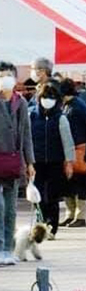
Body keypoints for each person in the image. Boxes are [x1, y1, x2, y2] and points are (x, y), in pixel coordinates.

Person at [30, 82, 76, 238]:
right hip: (36, 162)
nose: (47, 100)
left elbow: (67, 142)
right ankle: (40, 224)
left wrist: (69, 162)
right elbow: (26, 139)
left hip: (56, 162)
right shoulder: (32, 116)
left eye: (50, 97)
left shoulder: (60, 118)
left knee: (52, 196)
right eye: (44, 96)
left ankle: (51, 226)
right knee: (38, 196)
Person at [0, 62, 34, 266]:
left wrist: (30, 162)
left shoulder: (20, 102)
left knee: (11, 209)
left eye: (8, 75)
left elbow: (27, 134)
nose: (5, 79)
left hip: (13, 162)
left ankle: (7, 249)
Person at [59, 79, 86, 228]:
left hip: (78, 150)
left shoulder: (75, 109)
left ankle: (80, 216)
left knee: (79, 183)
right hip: (74, 149)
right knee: (69, 184)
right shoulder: (71, 105)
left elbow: (75, 133)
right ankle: (71, 214)